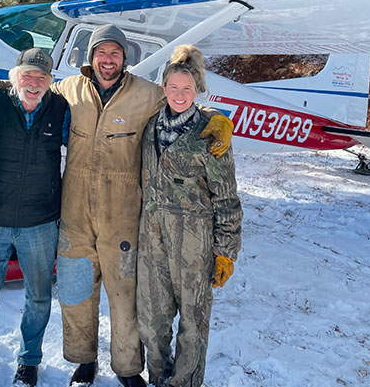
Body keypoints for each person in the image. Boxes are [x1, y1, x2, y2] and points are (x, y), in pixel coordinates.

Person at [50, 24, 234, 387]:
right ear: (91, 58)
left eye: (115, 53)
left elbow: (183, 100)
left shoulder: (146, 93)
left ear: (125, 58)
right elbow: (33, 91)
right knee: (75, 295)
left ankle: (127, 368)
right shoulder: (69, 90)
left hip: (122, 217)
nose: (108, 59)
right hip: (74, 217)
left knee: (125, 300)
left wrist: (218, 119)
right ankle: (84, 361)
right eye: (101, 52)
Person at [0, 48, 69, 387]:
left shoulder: (61, 110)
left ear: (50, 83)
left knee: (38, 296)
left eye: (41, 77)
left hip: (40, 223)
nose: (33, 83)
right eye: (27, 75)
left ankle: (29, 361)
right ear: (14, 76)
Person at [136, 44, 242, 387]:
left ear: (197, 91)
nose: (179, 95)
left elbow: (226, 198)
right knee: (152, 322)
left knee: (193, 324)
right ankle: (158, 376)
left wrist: (226, 251)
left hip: (194, 245)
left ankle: (184, 383)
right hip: (152, 242)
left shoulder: (210, 133)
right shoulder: (150, 125)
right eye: (173, 87)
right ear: (163, 88)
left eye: (187, 89)